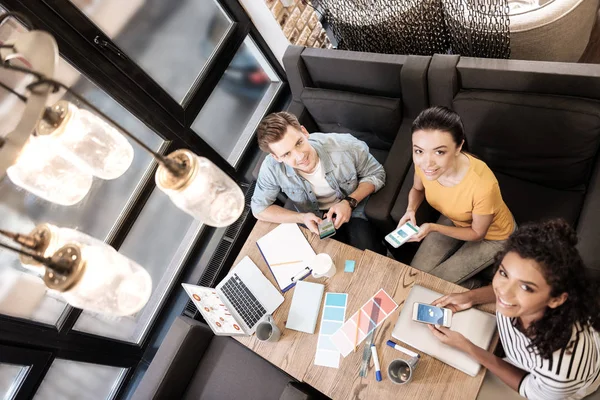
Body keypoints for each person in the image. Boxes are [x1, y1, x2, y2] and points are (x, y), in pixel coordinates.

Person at [429, 219, 600, 400]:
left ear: (556, 299)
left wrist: (468, 348)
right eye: (503, 273)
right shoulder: (514, 303)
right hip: (519, 357)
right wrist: (470, 297)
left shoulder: (562, 371)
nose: (503, 292)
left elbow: (529, 388)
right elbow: (503, 292)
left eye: (526, 287)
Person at [396, 106, 515, 284]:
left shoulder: (483, 185)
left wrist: (432, 227)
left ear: (459, 146)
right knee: (414, 274)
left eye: (439, 152)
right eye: (419, 151)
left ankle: (474, 286)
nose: (427, 163)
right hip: (456, 217)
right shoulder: (424, 166)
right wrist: (410, 210)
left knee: (433, 282)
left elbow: (477, 233)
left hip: (493, 236)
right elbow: (418, 189)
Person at [251, 111, 387, 254]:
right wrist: (302, 218)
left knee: (368, 253)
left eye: (299, 143)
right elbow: (259, 209)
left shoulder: (346, 146)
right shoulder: (271, 168)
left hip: (355, 208)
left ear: (304, 132)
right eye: (286, 154)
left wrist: (349, 202)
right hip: (315, 218)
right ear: (276, 157)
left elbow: (376, 174)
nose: (300, 156)